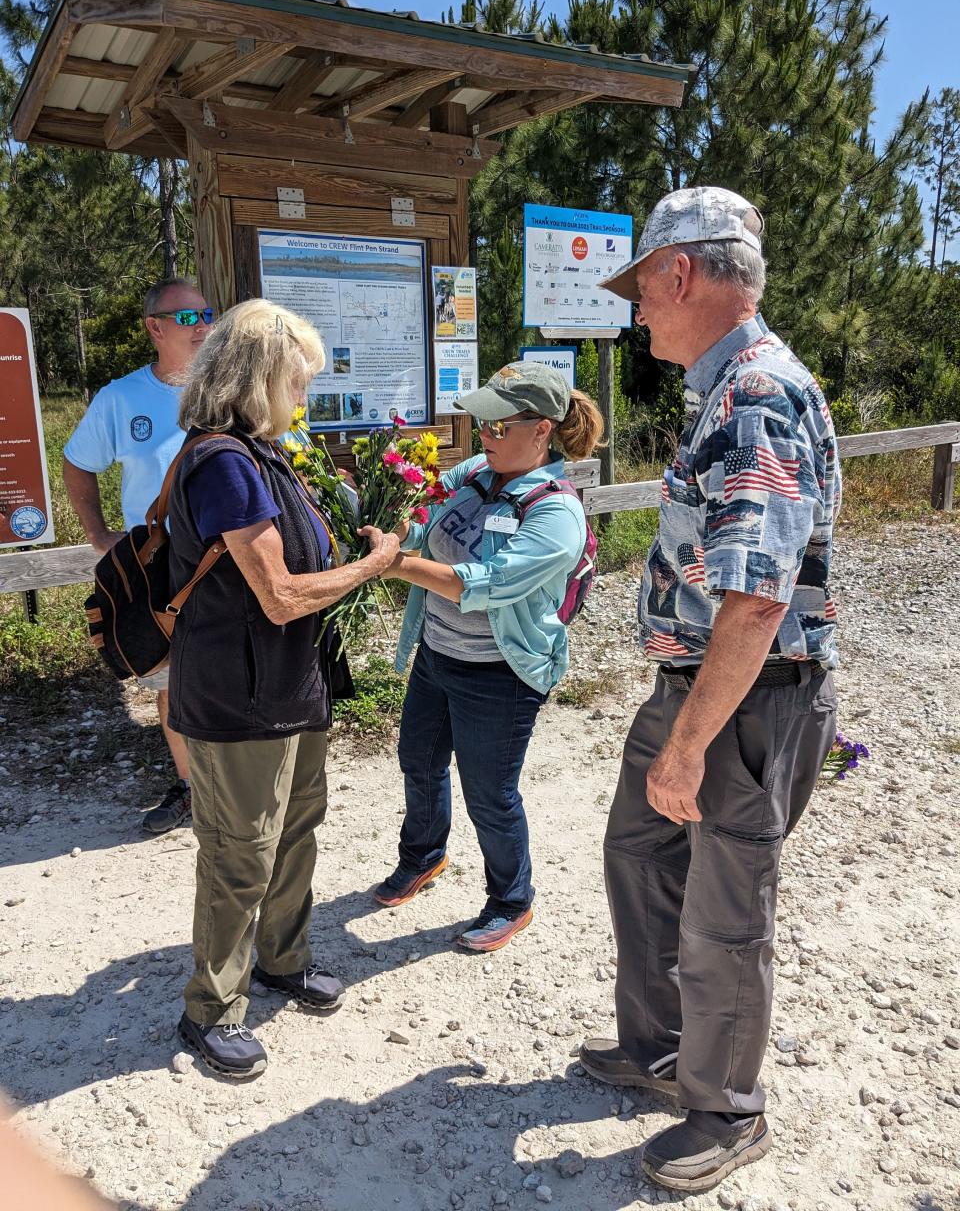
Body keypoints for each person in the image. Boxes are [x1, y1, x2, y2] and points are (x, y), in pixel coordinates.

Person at [578, 187, 841, 1193]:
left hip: (745, 697)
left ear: (680, 272)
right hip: (703, 684)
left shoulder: (757, 394)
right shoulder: (725, 389)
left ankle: (726, 1108)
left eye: (643, 287)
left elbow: (757, 601)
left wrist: (689, 743)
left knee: (725, 914)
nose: (638, 308)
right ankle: (659, 1049)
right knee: (639, 851)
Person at [167, 298, 399, 1078]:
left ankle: (283, 960)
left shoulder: (260, 455)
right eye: (297, 382)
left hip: (291, 688)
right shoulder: (225, 463)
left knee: (295, 831)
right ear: (262, 377)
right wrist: (376, 564)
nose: (303, 397)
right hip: (239, 700)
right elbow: (279, 595)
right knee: (239, 853)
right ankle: (211, 1010)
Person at [374, 364, 604, 952]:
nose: (487, 435)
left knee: (490, 793)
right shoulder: (475, 472)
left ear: (543, 430)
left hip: (499, 675)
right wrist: (396, 522)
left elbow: (486, 584)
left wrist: (392, 563)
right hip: (437, 652)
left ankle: (511, 899)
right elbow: (425, 519)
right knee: (418, 761)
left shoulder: (557, 514)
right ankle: (423, 856)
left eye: (502, 425)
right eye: (484, 422)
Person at [63, 278, 214, 835]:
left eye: (207, 315)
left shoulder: (229, 390)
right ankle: (192, 787)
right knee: (168, 678)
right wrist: (101, 537)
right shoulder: (121, 398)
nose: (202, 327)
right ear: (155, 327)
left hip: (230, 558)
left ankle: (238, 783)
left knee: (233, 668)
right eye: (187, 318)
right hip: (158, 564)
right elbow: (78, 463)